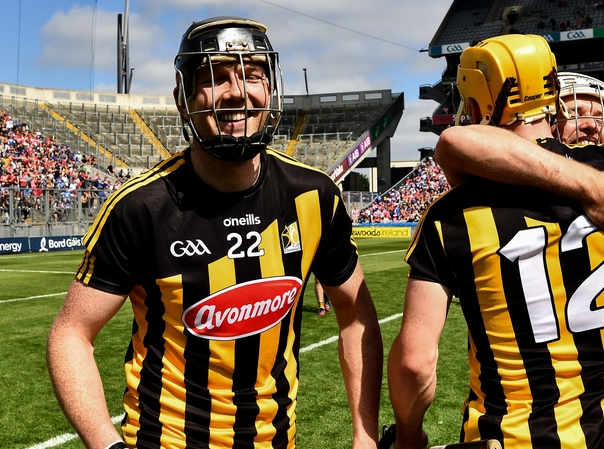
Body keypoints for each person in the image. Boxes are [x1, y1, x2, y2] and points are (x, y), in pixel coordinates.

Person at [47, 16, 383, 449]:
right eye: (214, 77)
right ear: (183, 100)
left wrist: (365, 436)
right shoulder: (140, 208)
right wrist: (105, 444)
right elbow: (71, 333)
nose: (237, 91)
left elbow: (356, 315)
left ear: (270, 90)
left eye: (253, 74)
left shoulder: (314, 195)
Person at [388, 34, 604, 449]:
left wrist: (408, 436)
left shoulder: (451, 214)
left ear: (477, 104)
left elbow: (415, 362)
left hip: (504, 438)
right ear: (555, 99)